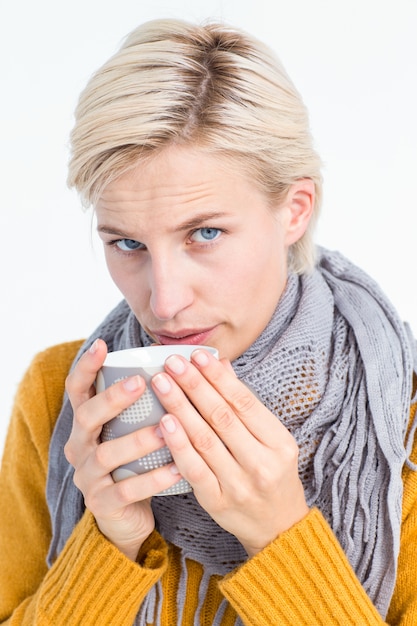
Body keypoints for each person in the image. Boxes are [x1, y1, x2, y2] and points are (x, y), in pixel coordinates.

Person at [0, 17, 416, 626]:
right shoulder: (61, 398)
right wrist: (109, 542)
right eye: (126, 244)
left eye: (206, 233)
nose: (164, 302)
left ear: (294, 210)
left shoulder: (399, 420)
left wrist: (281, 537)